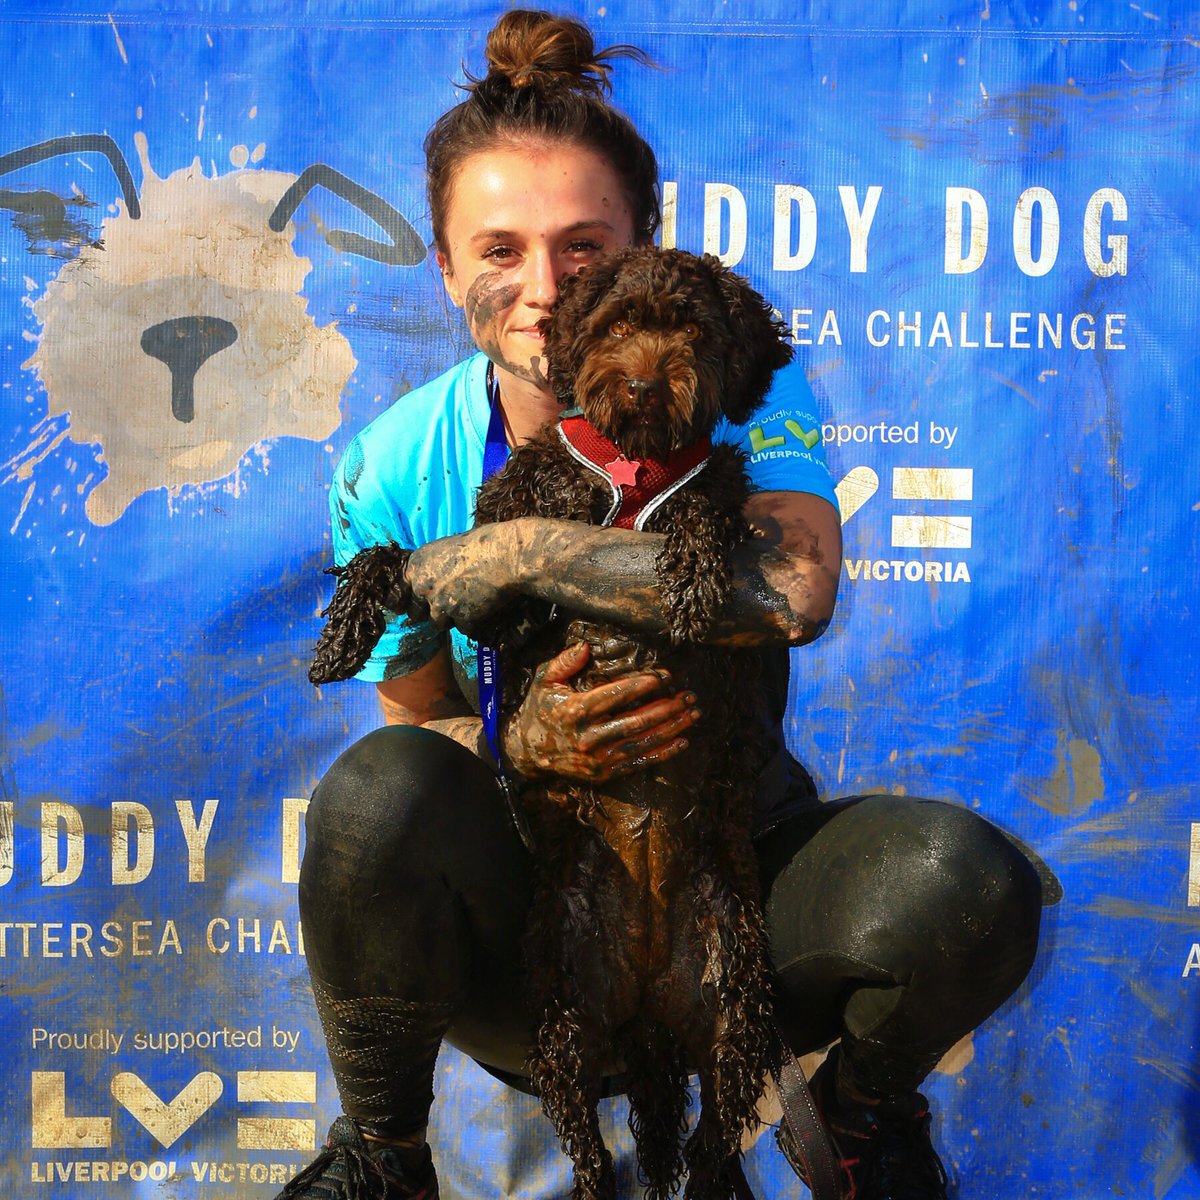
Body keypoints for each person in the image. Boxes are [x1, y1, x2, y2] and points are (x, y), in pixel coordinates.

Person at [279, 11, 1042, 1200]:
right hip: (543, 910)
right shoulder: (393, 466)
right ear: (441, 266)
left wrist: (524, 554)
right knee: (375, 800)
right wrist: (512, 746)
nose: (542, 290)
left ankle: (857, 1119)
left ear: (643, 250)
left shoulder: (744, 407)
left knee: (964, 881)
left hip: (732, 873)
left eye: (584, 246)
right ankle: (380, 1155)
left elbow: (791, 592)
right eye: (497, 250)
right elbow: (414, 718)